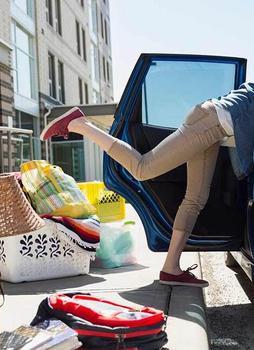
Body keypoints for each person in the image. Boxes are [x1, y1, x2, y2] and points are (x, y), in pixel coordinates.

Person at [40, 82, 254, 288]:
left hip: (215, 126)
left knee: (196, 198)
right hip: (210, 120)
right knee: (143, 168)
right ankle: (80, 124)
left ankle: (171, 269)